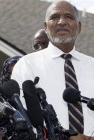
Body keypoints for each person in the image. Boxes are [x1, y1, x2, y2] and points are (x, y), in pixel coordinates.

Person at [11, 1, 94, 140]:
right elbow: (19, 118)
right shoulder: (26, 65)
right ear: (46, 27)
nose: (62, 22)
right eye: (54, 17)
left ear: (78, 27)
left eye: (69, 17)